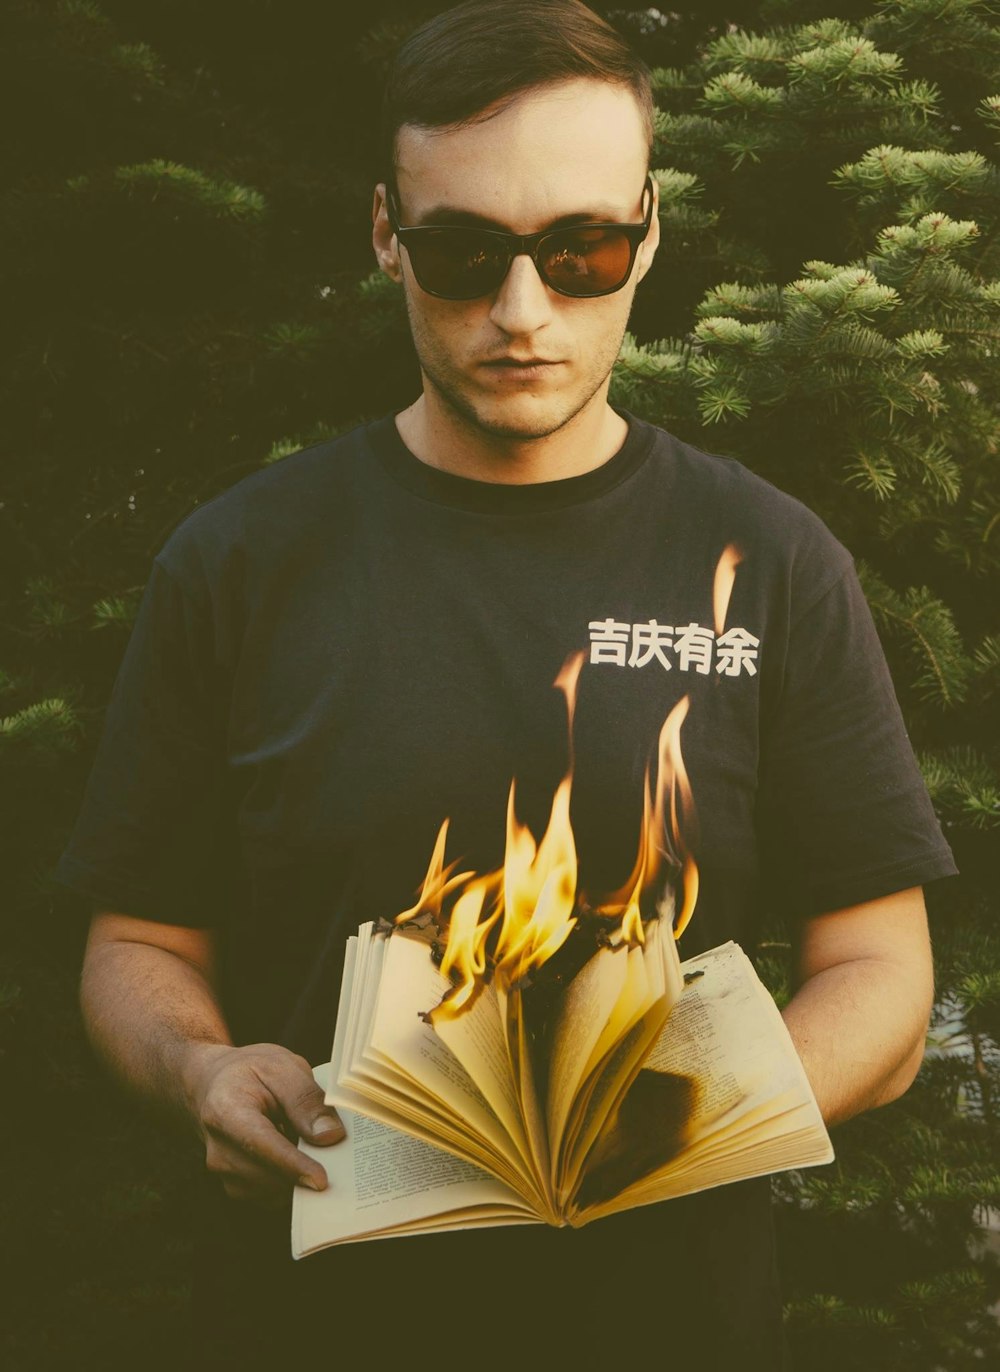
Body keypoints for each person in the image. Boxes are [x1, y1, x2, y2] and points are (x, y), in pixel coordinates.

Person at [56, 1, 956, 1366]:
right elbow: (137, 945)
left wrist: (685, 1115)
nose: (522, 311)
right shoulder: (241, 561)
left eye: (582, 250)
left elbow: (882, 972)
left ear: (647, 232)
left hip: (672, 1331)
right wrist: (197, 1066)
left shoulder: (769, 561)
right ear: (384, 233)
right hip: (305, 1325)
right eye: (465, 253)